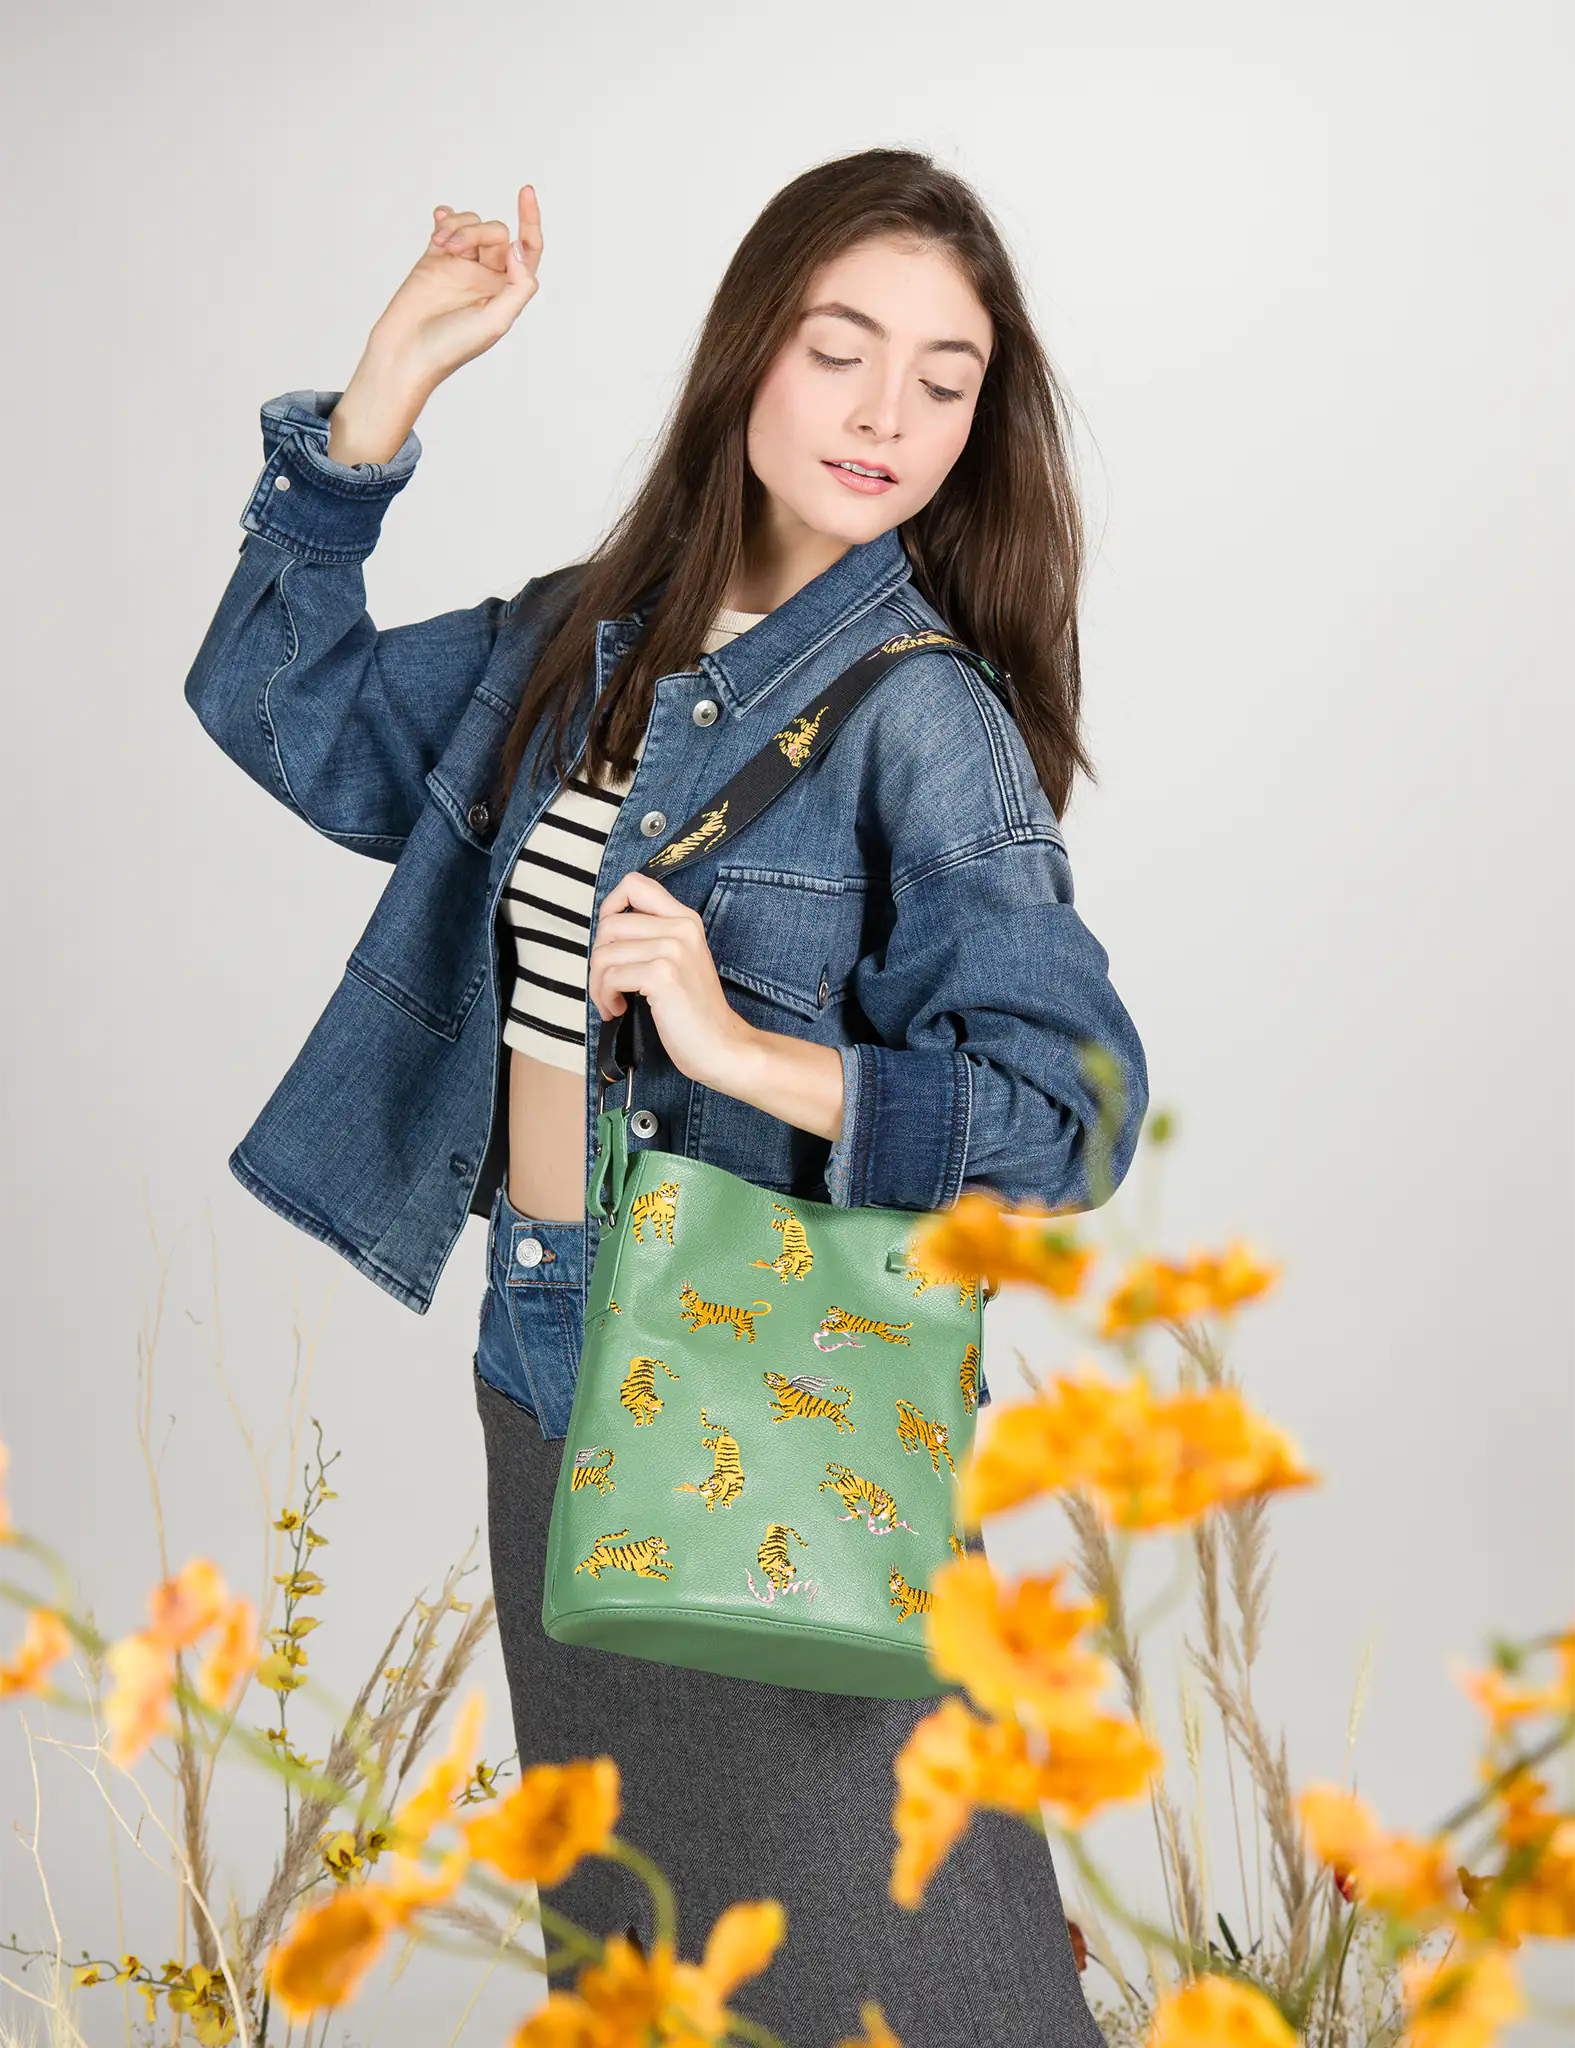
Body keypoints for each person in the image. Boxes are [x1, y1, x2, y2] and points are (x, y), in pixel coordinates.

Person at [184, 146, 1145, 2045]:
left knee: (905, 1981)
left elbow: (1072, 1110)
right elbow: (282, 707)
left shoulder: (918, 716)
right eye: (840, 351)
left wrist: (737, 1050)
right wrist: (384, 395)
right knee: (649, 1985)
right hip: (543, 1344)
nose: (886, 416)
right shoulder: (590, 639)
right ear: (748, 357)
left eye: (943, 381)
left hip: (758, 1374)